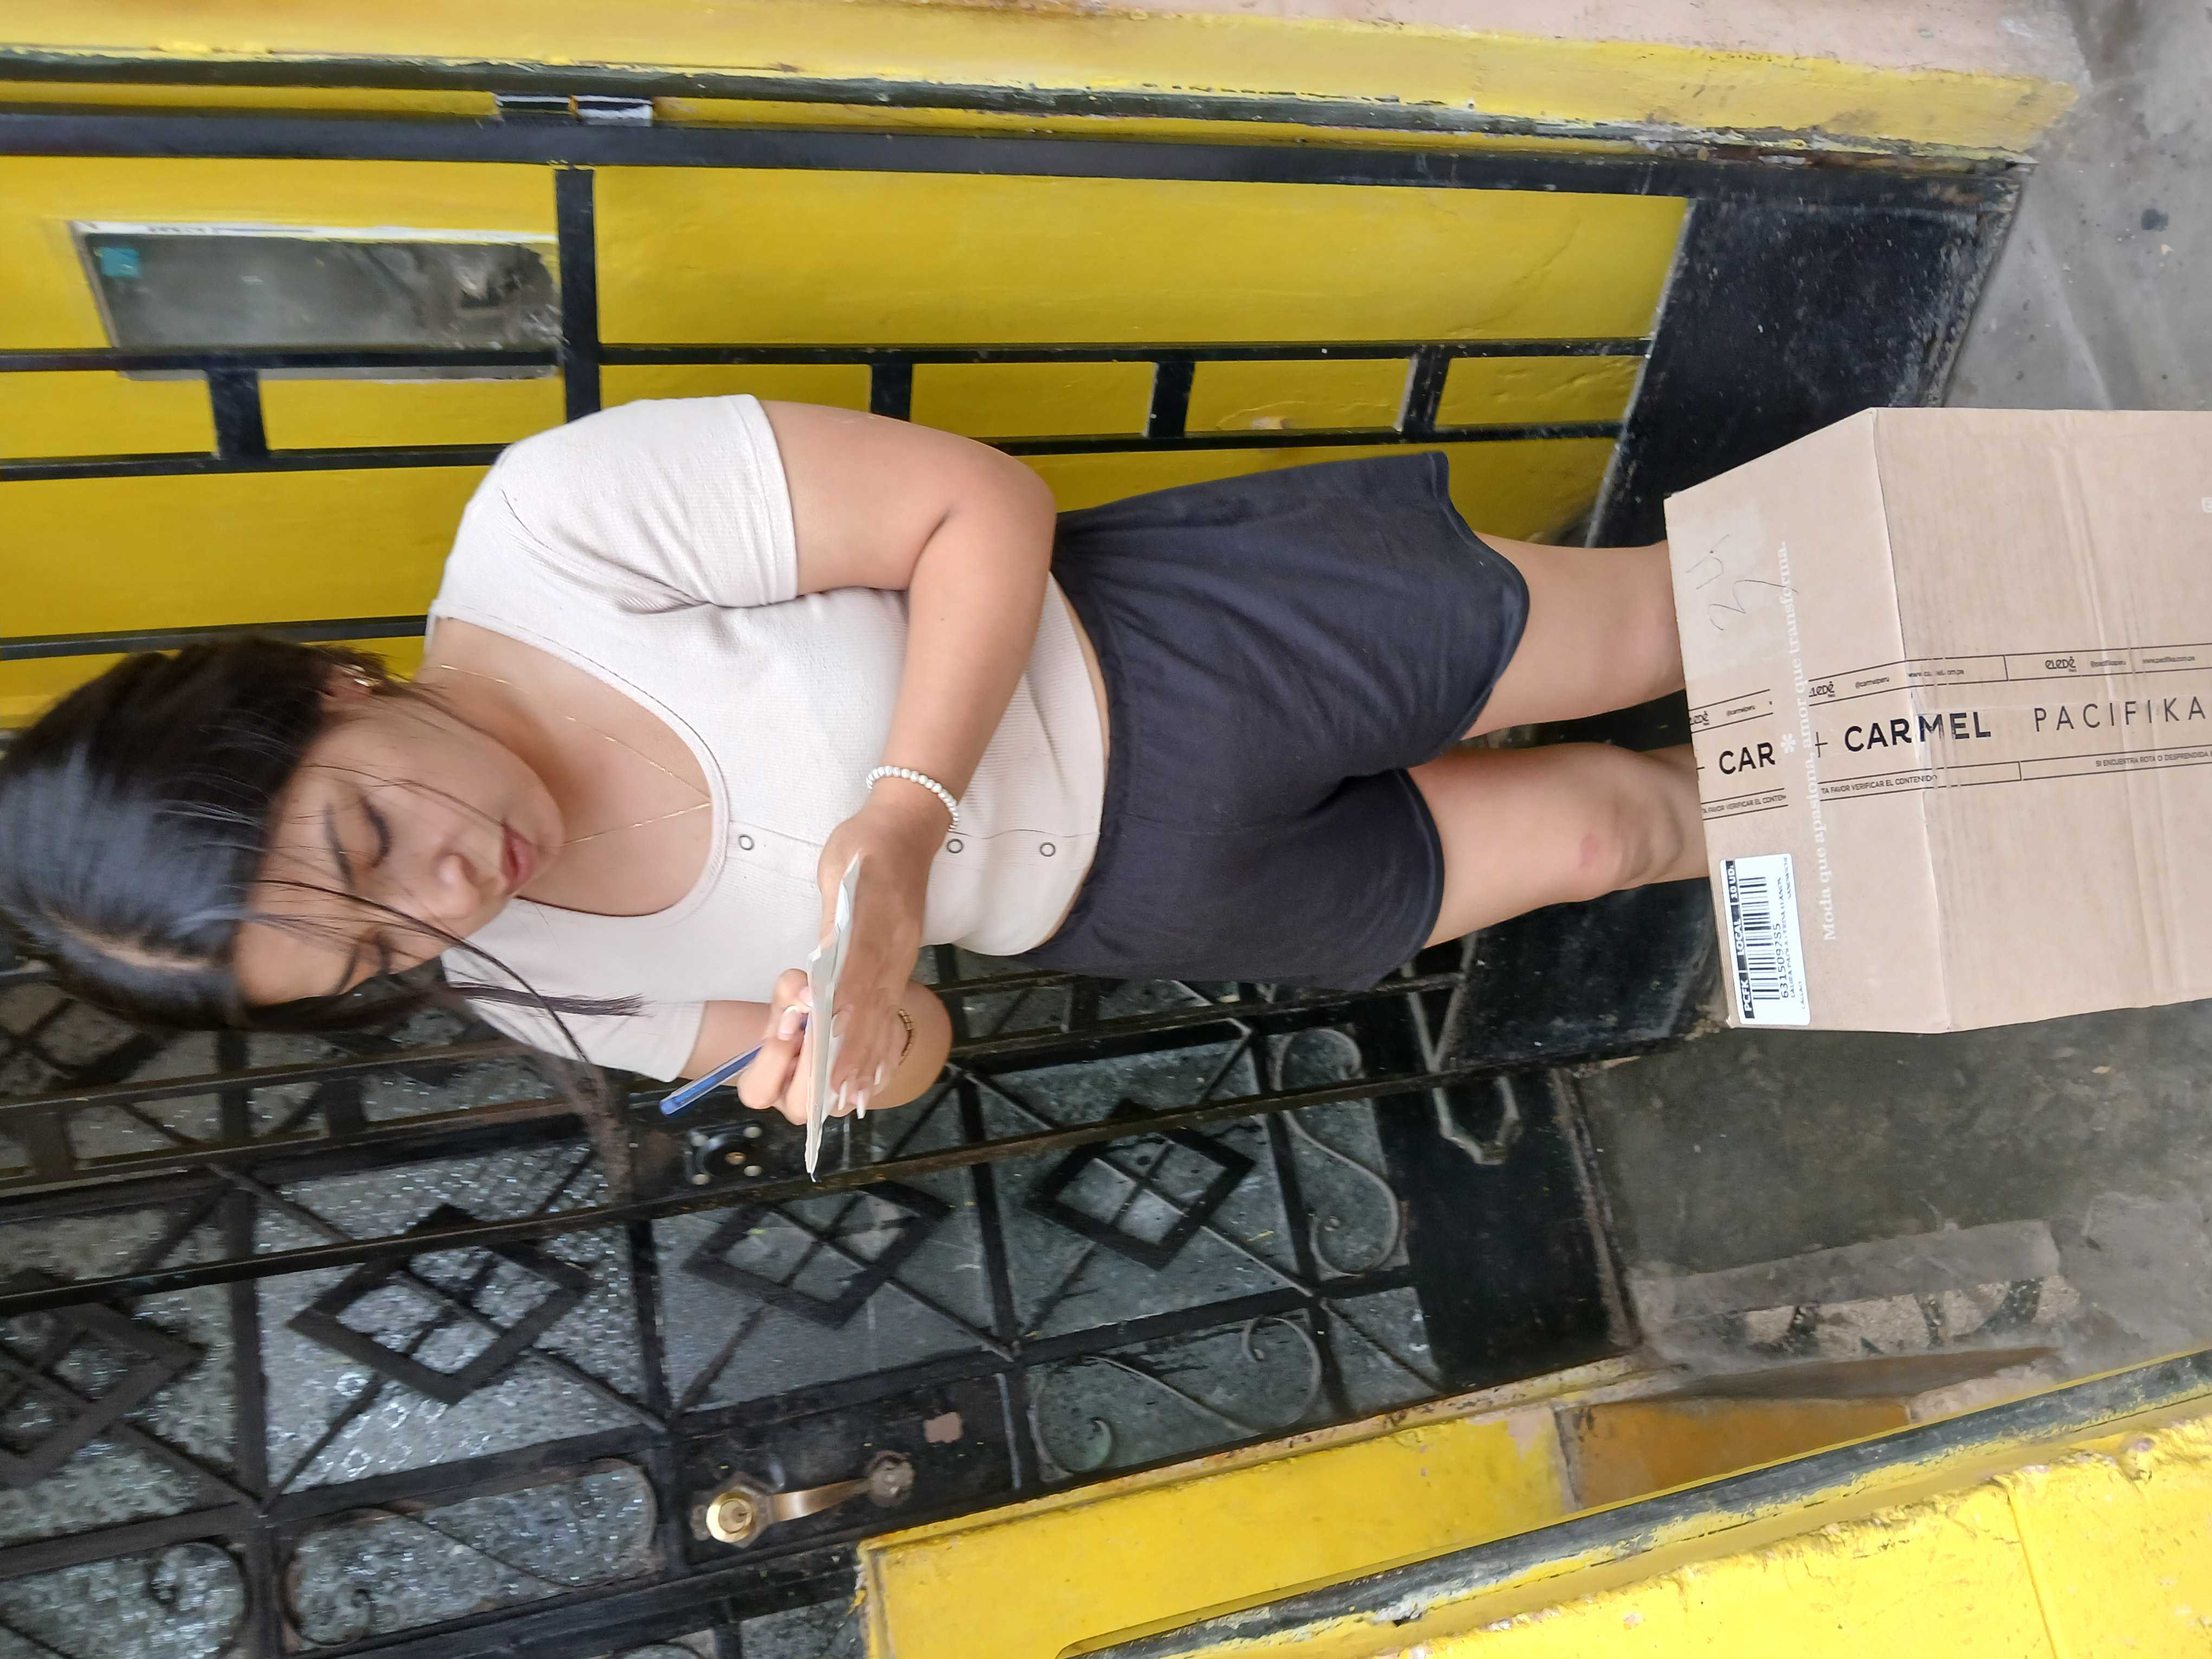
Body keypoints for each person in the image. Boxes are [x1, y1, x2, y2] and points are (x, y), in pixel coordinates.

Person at [0, 396, 1703, 1144]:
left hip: (1182, 648)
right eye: (379, 952)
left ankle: (1890, 608)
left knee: (1659, 631)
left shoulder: (555, 532)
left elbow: (980, 505)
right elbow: (919, 1043)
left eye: (369, 835)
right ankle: (1872, 804)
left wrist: (900, 818)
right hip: (1139, 897)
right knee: (1612, 838)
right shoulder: (534, 982)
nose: (447, 898)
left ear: (325, 687)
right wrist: (851, 1059)